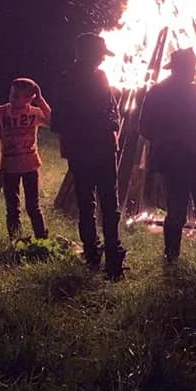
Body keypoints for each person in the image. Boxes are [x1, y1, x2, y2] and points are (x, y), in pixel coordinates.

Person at [139, 48, 196, 271]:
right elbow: (146, 127)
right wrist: (177, 135)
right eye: (190, 67)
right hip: (178, 161)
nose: (193, 71)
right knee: (180, 212)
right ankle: (174, 259)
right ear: (179, 68)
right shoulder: (160, 93)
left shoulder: (190, 91)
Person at [50, 33, 126, 278]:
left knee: (93, 203)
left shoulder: (89, 77)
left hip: (91, 149)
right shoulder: (71, 80)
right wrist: (100, 124)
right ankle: (103, 257)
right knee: (100, 203)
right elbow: (59, 120)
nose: (102, 59)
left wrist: (112, 122)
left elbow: (111, 109)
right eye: (100, 55)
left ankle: (102, 256)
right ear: (89, 54)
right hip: (93, 149)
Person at [0, 77, 52, 240]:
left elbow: (53, 121)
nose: (12, 98)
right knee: (12, 208)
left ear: (29, 98)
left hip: (31, 166)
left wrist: (40, 100)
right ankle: (16, 241)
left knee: (33, 206)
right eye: (12, 94)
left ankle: (42, 240)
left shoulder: (34, 113)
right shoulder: (1, 112)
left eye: (17, 96)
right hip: (8, 168)